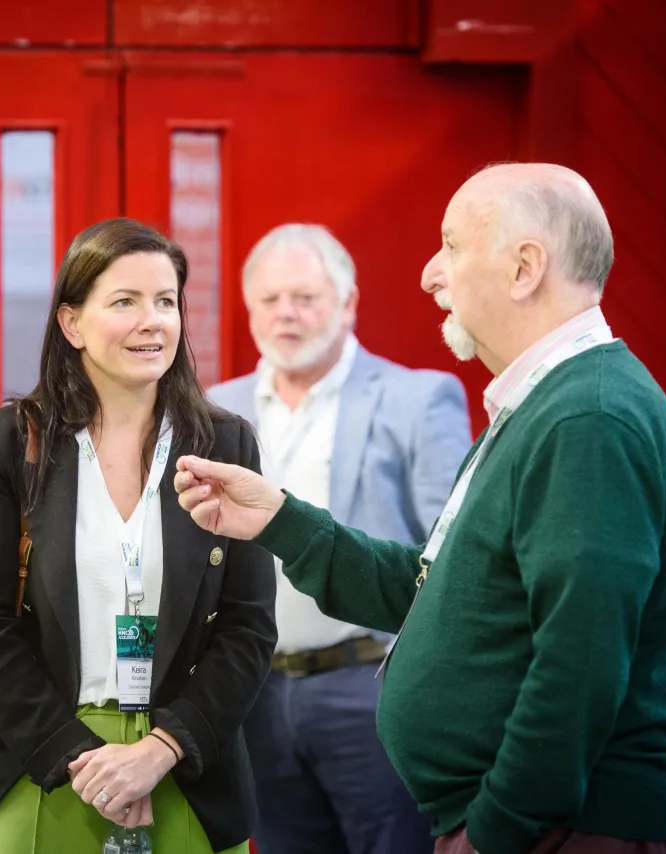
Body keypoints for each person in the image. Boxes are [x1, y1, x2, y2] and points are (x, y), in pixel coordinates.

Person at [173, 163, 666, 854]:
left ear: (524, 267)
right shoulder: (540, 408)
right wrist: (279, 519)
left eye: (451, 245)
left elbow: (580, 661)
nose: (429, 274)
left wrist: (497, 828)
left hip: (552, 833)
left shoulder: (586, 418)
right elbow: (436, 591)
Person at [0, 217, 277, 853]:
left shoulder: (224, 443)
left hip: (187, 764)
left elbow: (249, 625)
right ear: (72, 324)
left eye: (165, 301)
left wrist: (162, 748)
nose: (151, 321)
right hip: (45, 764)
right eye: (124, 302)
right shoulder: (13, 442)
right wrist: (79, 758)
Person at [207, 224, 470, 854]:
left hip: (370, 686)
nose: (285, 314)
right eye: (269, 300)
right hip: (255, 691)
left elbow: (455, 556)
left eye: (305, 297)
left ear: (349, 304)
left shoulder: (418, 398)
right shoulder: (216, 408)